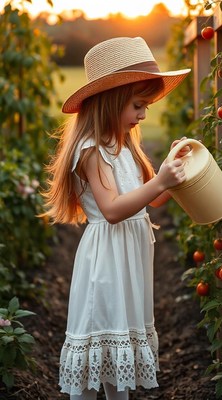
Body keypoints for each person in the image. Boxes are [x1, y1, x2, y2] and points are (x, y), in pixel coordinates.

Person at [41, 37, 191, 400]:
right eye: (138, 105)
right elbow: (111, 210)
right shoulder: (91, 149)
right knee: (100, 339)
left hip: (130, 256)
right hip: (106, 261)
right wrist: (160, 180)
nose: (144, 115)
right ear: (110, 100)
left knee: (116, 346)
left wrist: (177, 173)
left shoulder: (125, 144)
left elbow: (150, 201)